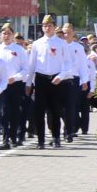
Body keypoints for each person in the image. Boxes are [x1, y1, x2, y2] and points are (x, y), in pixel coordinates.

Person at [29, 15, 73, 149]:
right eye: (44, 26)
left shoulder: (61, 43)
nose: (47, 28)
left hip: (55, 79)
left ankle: (56, 137)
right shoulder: (37, 44)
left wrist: (61, 75)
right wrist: (28, 83)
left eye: (49, 26)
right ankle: (40, 140)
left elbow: (68, 63)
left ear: (54, 27)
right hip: (41, 79)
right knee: (39, 111)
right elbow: (32, 64)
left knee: (55, 110)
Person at [0, 24, 30, 148]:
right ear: (0, 35)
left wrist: (14, 78)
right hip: (1, 85)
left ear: (13, 35)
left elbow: (25, 69)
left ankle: (14, 136)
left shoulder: (19, 50)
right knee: (3, 111)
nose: (6, 36)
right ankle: (5, 138)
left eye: (9, 33)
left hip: (15, 84)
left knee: (15, 111)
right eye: (4, 33)